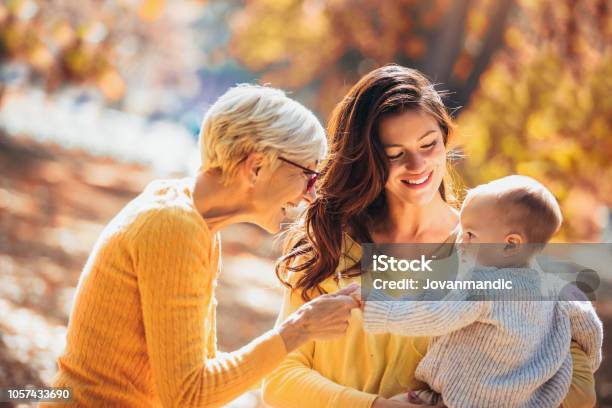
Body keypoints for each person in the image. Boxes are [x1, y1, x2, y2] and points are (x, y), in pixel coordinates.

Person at [262, 65, 597, 408]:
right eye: (395, 154)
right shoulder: (329, 244)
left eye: (428, 144)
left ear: (444, 139)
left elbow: (578, 389)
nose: (417, 164)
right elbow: (279, 376)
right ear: (367, 160)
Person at [42, 84, 360, 407]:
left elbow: (200, 373)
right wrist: (299, 329)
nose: (311, 194)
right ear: (257, 166)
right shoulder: (173, 227)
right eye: (308, 175)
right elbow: (189, 397)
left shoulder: (196, 220)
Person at [362, 175, 603, 407]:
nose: (461, 241)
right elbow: (590, 329)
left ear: (510, 244)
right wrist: (588, 364)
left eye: (470, 234)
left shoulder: (481, 286)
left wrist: (377, 306)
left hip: (462, 399)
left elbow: (431, 315)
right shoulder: (553, 289)